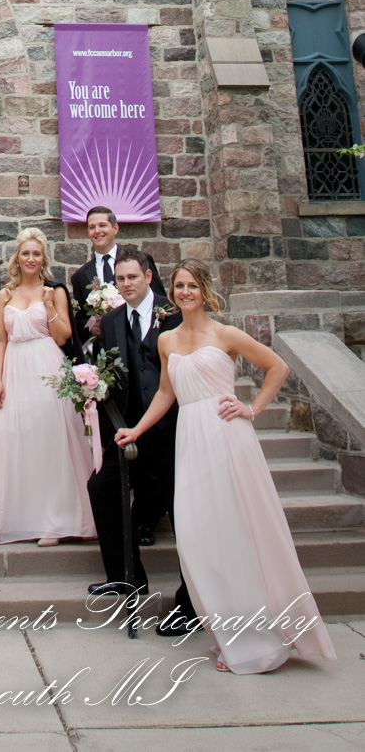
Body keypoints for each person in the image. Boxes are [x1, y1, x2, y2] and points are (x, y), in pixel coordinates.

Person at [116, 259, 336, 673]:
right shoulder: (166, 339)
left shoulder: (226, 334)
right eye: (179, 286)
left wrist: (251, 408)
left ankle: (256, 641)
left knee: (237, 532)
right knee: (199, 538)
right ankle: (228, 632)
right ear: (172, 291)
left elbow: (278, 367)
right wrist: (137, 430)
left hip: (227, 436)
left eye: (192, 285)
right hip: (190, 440)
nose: (185, 292)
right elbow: (165, 393)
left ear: (204, 290)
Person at [86, 244, 196, 634]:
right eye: (120, 279)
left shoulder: (174, 313)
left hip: (171, 430)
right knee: (101, 487)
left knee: (183, 512)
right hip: (130, 430)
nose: (126, 284)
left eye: (132, 277)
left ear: (148, 277)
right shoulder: (112, 320)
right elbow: (111, 373)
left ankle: (191, 602)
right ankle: (127, 578)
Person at [0, 228, 95, 547]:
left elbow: (63, 336)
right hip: (15, 369)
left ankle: (54, 522)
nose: (31, 259)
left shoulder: (55, 291)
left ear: (43, 258)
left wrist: (49, 307)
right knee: (9, 438)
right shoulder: (6, 294)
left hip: (47, 366)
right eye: (26, 253)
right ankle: (3, 520)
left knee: (49, 439)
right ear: (18, 258)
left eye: (37, 254)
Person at [69, 207, 164, 356]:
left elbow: (160, 301)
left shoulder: (141, 260)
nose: (97, 231)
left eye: (102, 225)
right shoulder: (80, 276)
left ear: (115, 228)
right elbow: (79, 322)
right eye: (92, 227)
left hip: (145, 342)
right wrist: (91, 328)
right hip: (107, 350)